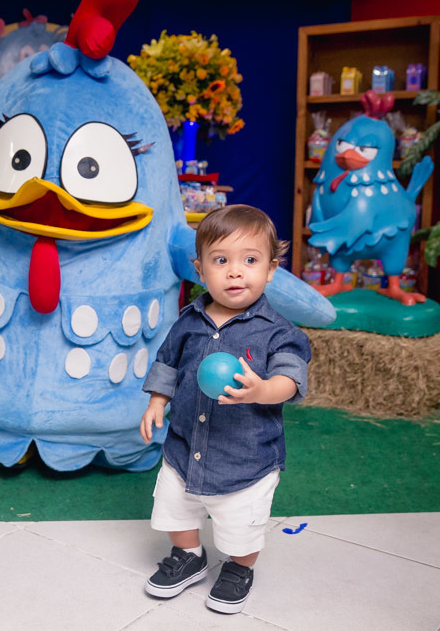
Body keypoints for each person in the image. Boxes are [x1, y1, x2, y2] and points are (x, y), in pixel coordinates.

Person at [139, 204, 311, 614]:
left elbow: (290, 380)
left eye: (250, 260)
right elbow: (167, 362)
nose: (235, 272)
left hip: (245, 459)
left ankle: (239, 568)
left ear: (271, 269)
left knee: (241, 527)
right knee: (173, 507)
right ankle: (189, 556)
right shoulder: (189, 321)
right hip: (184, 447)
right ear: (200, 270)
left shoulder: (278, 332)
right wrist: (157, 401)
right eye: (221, 261)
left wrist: (262, 389)